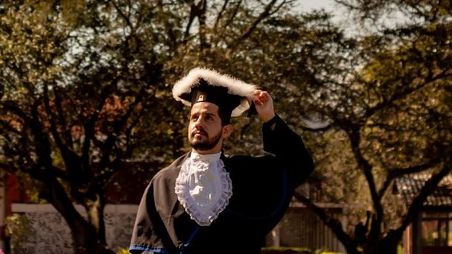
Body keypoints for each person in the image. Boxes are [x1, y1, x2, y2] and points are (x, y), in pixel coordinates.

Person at [129, 68, 314, 254]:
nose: (198, 123)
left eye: (208, 117)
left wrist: (269, 118)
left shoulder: (247, 174)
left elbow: (299, 164)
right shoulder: (164, 181)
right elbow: (147, 246)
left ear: (226, 131)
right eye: (194, 117)